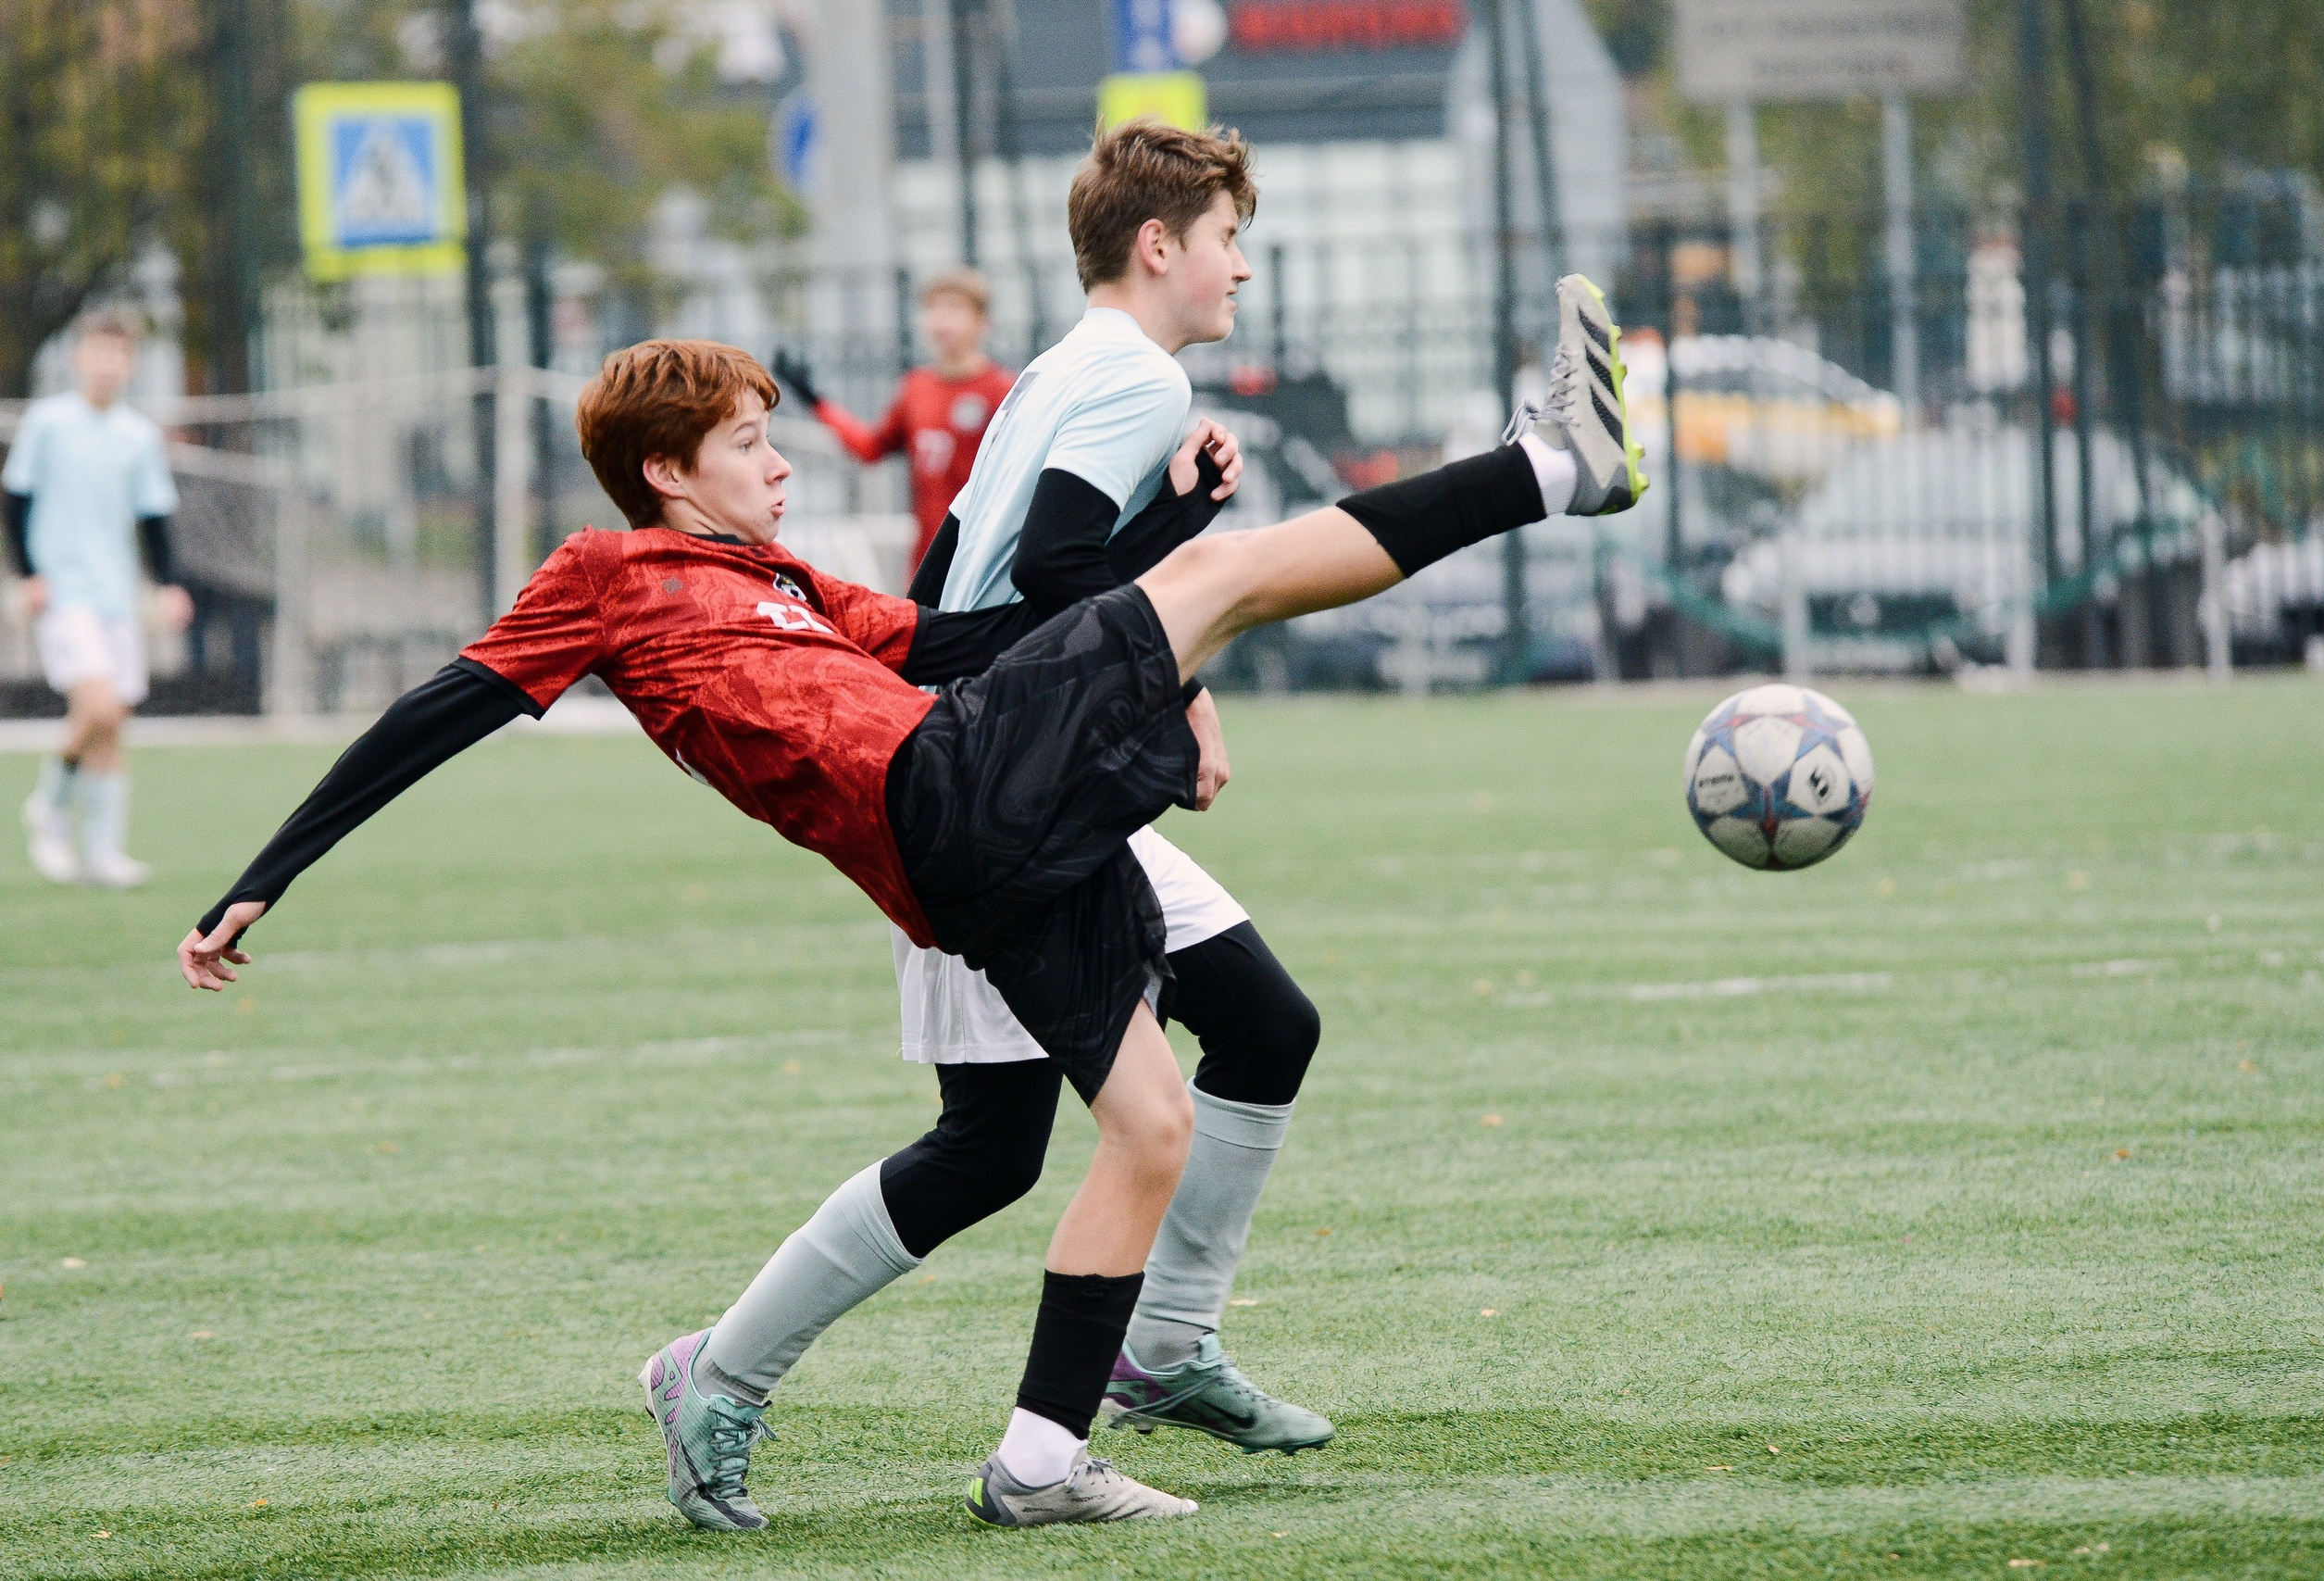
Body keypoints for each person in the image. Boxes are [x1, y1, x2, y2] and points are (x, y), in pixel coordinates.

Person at [177, 283, 1642, 1528]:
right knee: (1231, 584)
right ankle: (1545, 467)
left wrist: (1153, 540)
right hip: (941, 798)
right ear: (673, 473)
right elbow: (440, 710)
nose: (782, 465)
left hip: (981, 828)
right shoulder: (606, 573)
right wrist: (262, 873)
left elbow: (975, 631)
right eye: (751, 445)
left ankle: (1039, 1455)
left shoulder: (789, 578)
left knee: (1148, 1122)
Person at [900, 119, 1333, 1459]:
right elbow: (1052, 573)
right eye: (1227, 240)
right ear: (1162, 246)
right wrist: (1183, 686)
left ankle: (1172, 1343)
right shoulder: (1138, 379)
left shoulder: (1063, 364)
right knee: (986, 1146)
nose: (1240, 269)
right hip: (1010, 784)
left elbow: (1007, 569)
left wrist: (1175, 530)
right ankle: (721, 1369)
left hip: (990, 749)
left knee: (1263, 1021)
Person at [6, 307, 189, 887]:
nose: (108, 365)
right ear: (76, 358)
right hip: (64, 592)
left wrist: (168, 584)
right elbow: (16, 501)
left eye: (119, 355)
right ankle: (51, 804)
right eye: (98, 352)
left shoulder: (137, 435)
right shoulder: (49, 422)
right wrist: (29, 573)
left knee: (114, 722)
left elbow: (154, 518)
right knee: (99, 705)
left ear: (131, 365)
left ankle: (104, 852)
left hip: (117, 593)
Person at [774, 269, 1016, 585]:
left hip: (986, 558)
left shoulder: (1002, 390)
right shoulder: (915, 388)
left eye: (955, 309)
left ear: (982, 322)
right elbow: (870, 448)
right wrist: (814, 399)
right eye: (933, 309)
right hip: (928, 558)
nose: (942, 320)